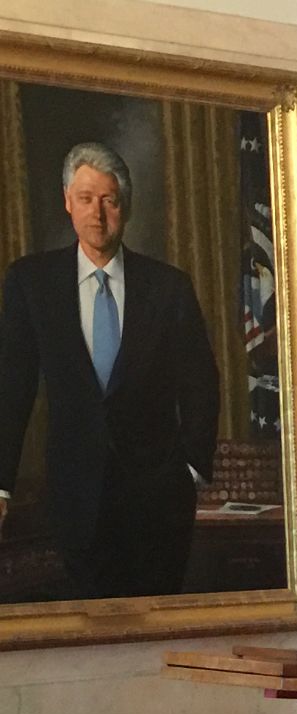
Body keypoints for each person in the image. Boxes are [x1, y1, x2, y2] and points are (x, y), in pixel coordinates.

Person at [0, 142, 218, 599]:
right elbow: (11, 386)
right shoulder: (31, 283)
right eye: (85, 198)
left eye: (109, 200)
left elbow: (200, 382)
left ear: (125, 207)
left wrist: (192, 468)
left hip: (158, 504)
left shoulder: (168, 287)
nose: (96, 213)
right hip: (71, 497)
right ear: (66, 201)